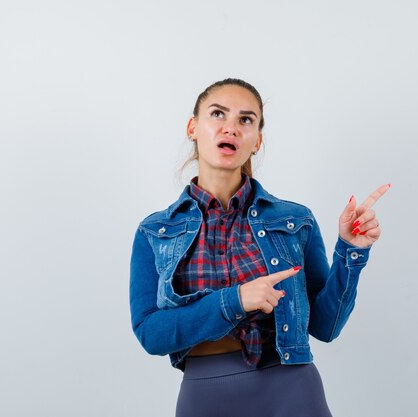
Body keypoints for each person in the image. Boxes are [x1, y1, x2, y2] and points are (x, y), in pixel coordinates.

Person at [129, 78, 389, 417]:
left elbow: (326, 327)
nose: (232, 128)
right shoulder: (155, 231)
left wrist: (351, 252)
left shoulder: (294, 220)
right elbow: (151, 334)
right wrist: (234, 301)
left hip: (292, 391)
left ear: (257, 141)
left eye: (245, 119)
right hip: (205, 397)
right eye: (218, 114)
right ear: (193, 127)